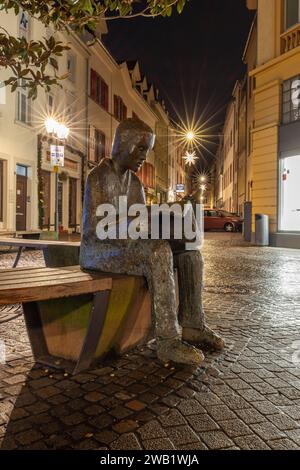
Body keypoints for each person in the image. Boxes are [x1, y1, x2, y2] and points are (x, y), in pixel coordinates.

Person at [80, 118, 224, 365]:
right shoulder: (99, 176)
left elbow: (139, 224)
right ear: (122, 145)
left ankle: (192, 324)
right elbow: (96, 229)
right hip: (99, 249)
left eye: (146, 151)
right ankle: (167, 340)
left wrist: (166, 222)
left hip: (126, 245)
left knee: (191, 255)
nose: (143, 157)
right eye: (140, 149)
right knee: (158, 251)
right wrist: (140, 223)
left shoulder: (135, 183)